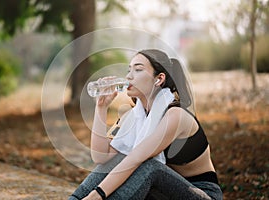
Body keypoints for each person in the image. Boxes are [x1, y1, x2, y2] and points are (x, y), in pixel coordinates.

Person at [69, 49, 223, 200]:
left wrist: (97, 195)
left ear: (159, 79)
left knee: (148, 166)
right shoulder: (133, 116)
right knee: (121, 157)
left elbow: (136, 159)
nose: (129, 76)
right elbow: (101, 157)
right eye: (129, 70)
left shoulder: (176, 115)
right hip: (161, 192)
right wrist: (101, 108)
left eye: (138, 70)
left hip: (200, 194)